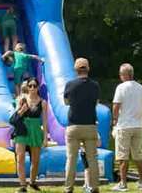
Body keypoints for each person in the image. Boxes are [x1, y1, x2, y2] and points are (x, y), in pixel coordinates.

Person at [63, 58, 100, 193]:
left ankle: (68, 188)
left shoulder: (70, 85)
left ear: (76, 69)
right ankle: (95, 187)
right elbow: (96, 103)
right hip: (90, 125)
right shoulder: (95, 85)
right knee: (92, 158)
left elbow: (66, 102)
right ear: (88, 69)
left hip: (73, 125)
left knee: (71, 159)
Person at [111, 63, 142, 191]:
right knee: (138, 154)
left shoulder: (121, 88)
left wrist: (115, 121)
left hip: (124, 125)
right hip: (138, 125)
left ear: (124, 75)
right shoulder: (140, 87)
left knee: (122, 156)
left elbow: (116, 106)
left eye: (121, 74)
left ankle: (123, 183)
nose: (120, 76)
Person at [13, 78, 48, 192]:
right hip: (22, 129)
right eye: (30, 86)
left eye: (34, 86)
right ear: (27, 87)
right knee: (20, 157)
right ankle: (22, 185)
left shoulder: (42, 102)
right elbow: (16, 115)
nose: (32, 88)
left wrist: (45, 138)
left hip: (35, 130)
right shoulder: (22, 99)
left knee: (36, 159)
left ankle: (32, 182)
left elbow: (44, 121)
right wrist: (21, 109)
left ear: (38, 88)